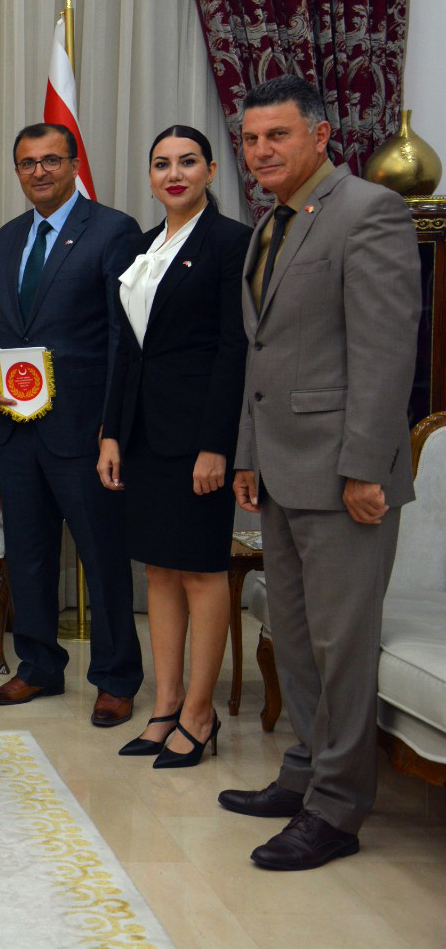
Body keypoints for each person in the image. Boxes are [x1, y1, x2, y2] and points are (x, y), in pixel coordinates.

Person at [219, 75, 420, 870]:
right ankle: (304, 774)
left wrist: (366, 469)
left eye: (277, 135)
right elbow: (262, 355)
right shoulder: (273, 221)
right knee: (296, 639)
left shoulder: (370, 211)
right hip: (280, 468)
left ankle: (337, 810)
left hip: (344, 477)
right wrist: (247, 453)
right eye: (251, 139)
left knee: (341, 647)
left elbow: (385, 350)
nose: (261, 151)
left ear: (321, 135)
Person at [0, 122, 144, 726]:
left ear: (75, 165)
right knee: (27, 555)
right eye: (27, 163)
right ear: (17, 171)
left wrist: (111, 427)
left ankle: (116, 677)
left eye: (51, 160)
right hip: (18, 428)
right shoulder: (10, 235)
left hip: (83, 430)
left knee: (102, 557)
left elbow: (122, 337)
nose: (39, 172)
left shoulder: (113, 230)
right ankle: (39, 666)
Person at [96, 125, 250, 767]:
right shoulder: (140, 247)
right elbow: (125, 348)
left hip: (196, 440)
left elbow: (235, 350)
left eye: (188, 162)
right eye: (162, 164)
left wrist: (218, 445)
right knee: (158, 569)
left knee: (201, 571)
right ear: (151, 177)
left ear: (211, 170)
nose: (174, 174)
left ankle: (200, 714)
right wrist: (110, 431)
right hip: (141, 434)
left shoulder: (231, 242)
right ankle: (165, 707)